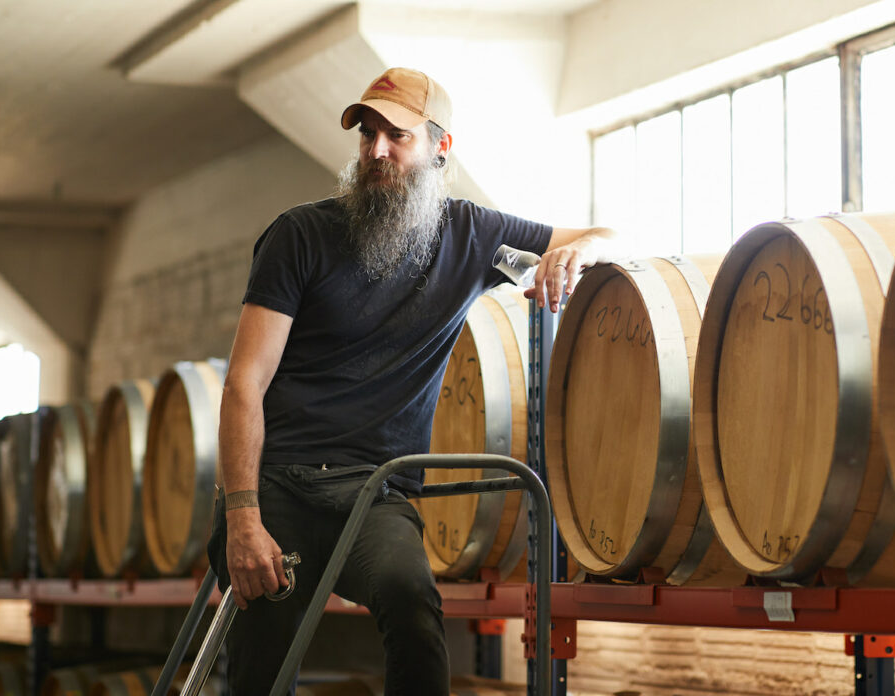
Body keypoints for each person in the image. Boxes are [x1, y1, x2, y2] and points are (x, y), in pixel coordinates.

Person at [208, 67, 624, 695]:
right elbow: (244, 383)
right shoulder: (300, 236)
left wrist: (577, 253)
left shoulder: (473, 235)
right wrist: (242, 518)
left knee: (413, 605)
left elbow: (606, 235)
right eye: (367, 133)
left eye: (396, 136)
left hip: (376, 495)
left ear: (439, 147)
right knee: (262, 666)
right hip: (280, 488)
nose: (377, 150)